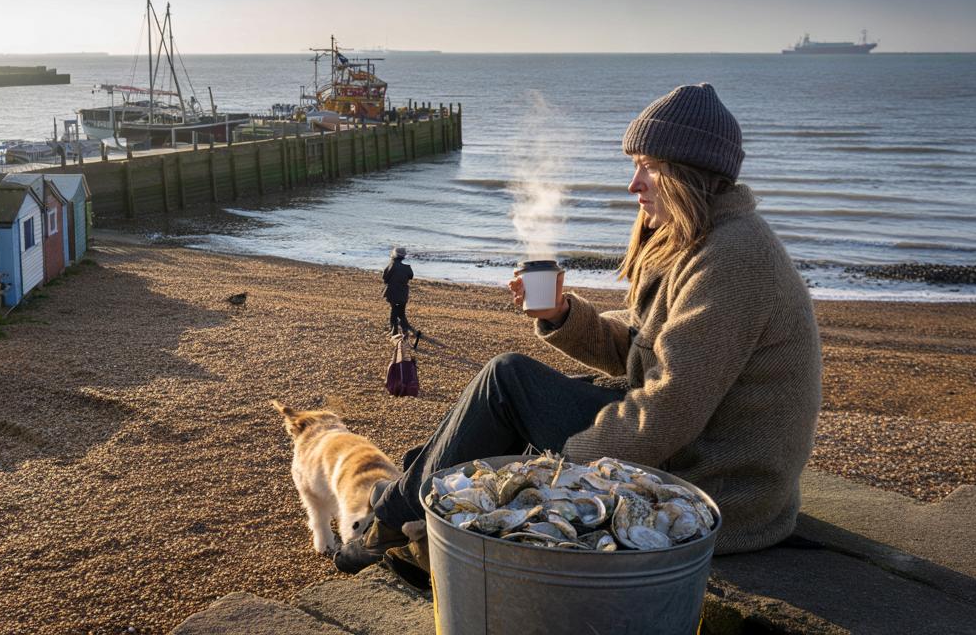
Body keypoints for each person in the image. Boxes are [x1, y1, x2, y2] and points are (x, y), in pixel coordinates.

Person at [335, 83, 822, 578]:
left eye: (648, 167)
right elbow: (645, 348)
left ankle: (388, 522)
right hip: (696, 450)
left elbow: (670, 409)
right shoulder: (704, 239)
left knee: (508, 381)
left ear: (688, 173)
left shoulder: (733, 259)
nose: (634, 185)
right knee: (515, 402)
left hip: (714, 484)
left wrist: (563, 463)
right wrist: (563, 315)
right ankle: (407, 501)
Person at [382, 247, 416, 338]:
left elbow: (385, 278)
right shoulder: (407, 268)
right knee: (401, 312)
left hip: (392, 292)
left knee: (394, 311)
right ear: (403, 257)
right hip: (403, 293)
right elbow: (411, 276)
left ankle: (394, 330)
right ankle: (405, 329)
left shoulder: (392, 265)